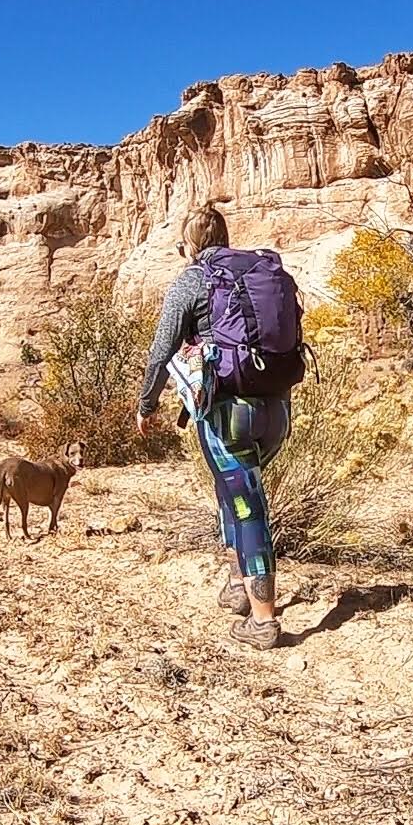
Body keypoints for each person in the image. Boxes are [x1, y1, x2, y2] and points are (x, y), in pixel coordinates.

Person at [136, 203, 297, 651]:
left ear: (190, 245)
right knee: (233, 494)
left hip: (229, 414)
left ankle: (263, 620)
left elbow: (161, 349)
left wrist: (146, 404)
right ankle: (237, 586)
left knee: (248, 508)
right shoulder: (262, 273)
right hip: (277, 410)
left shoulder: (193, 279)